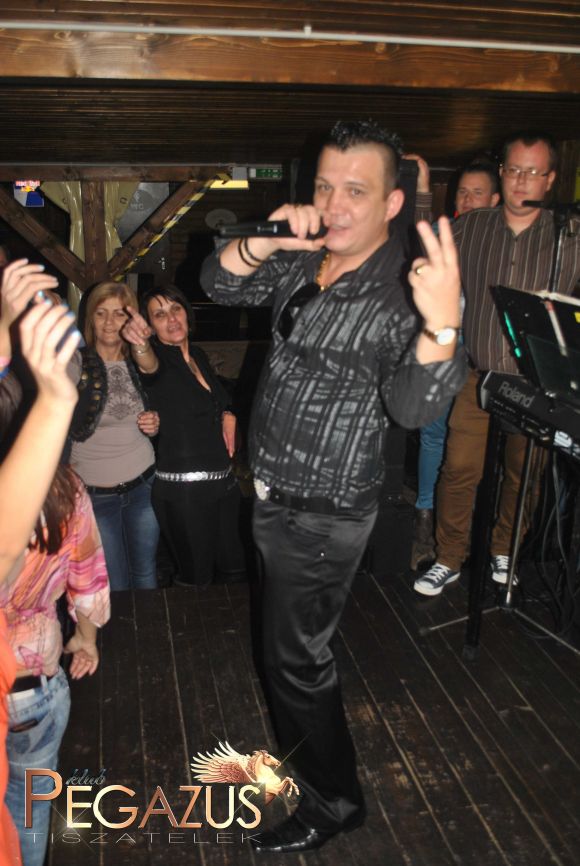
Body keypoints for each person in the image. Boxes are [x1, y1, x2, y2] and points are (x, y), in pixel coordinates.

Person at [200, 119, 467, 853]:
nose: (334, 205)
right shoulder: (307, 258)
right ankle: (320, 771)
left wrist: (444, 324)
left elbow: (413, 408)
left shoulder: (402, 291)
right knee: (289, 654)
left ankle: (333, 802)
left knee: (295, 661)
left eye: (356, 190)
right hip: (275, 494)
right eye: (324, 187)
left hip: (322, 513)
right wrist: (267, 240)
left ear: (392, 203)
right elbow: (216, 282)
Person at [415, 130, 580, 597]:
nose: (522, 180)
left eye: (533, 172)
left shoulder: (569, 235)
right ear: (502, 173)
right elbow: (428, 252)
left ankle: (505, 548)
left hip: (537, 384)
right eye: (514, 170)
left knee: (523, 474)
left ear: (550, 179)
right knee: (458, 469)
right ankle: (448, 557)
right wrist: (423, 192)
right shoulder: (473, 227)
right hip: (479, 376)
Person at [0, 261, 83, 866]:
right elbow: (90, 574)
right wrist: (56, 400)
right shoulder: (62, 489)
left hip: (23, 677)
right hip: (34, 682)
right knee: (29, 809)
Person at [405, 156, 500, 569]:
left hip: (482, 354)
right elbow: (422, 236)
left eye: (477, 193)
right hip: (445, 344)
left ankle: (466, 524)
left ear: (495, 200)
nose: (467, 199)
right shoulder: (454, 234)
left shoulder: (505, 243)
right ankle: (425, 520)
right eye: (462, 192)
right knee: (433, 435)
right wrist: (424, 186)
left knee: (472, 445)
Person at [122, 285, 245, 587]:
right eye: (159, 315)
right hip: (184, 495)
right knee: (196, 582)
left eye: (175, 308)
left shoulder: (198, 356)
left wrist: (228, 412)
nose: (171, 319)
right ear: (150, 327)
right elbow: (148, 365)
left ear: (187, 313)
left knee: (235, 573)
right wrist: (140, 345)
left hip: (224, 487)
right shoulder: (160, 361)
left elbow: (217, 400)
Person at [68, 282, 160, 591]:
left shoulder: (139, 360)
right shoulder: (75, 362)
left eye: (119, 313)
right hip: (95, 494)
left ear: (131, 319)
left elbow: (153, 369)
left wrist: (154, 422)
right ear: (90, 319)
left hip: (143, 485)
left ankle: (150, 625)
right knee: (115, 584)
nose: (109, 322)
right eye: (101, 313)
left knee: (145, 574)